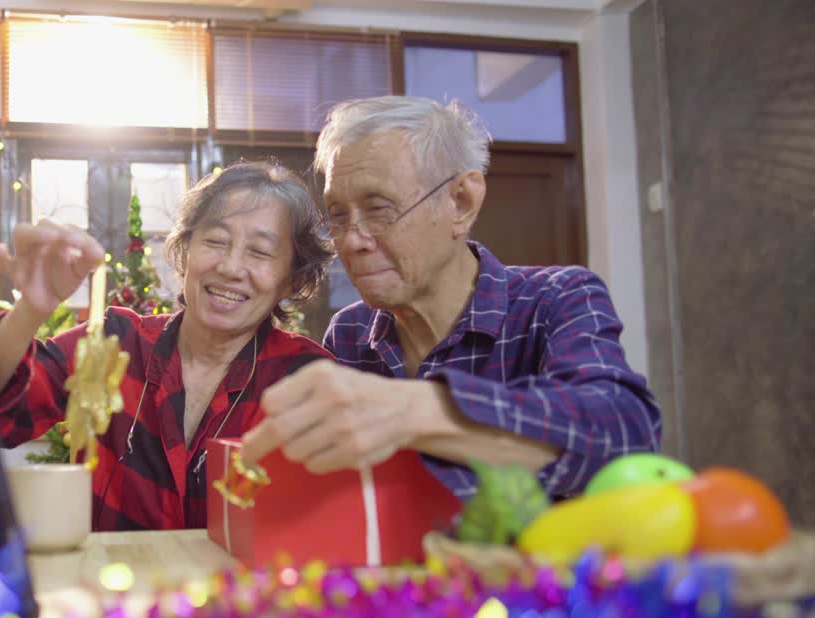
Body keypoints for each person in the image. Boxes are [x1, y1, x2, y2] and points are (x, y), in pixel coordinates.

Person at [241, 96, 661, 499]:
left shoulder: (555, 299)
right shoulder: (351, 331)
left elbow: (624, 432)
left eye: (379, 208)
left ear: (461, 202)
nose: (352, 240)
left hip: (533, 569)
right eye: (337, 215)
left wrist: (413, 410)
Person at [0, 162, 335, 530]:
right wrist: (30, 309)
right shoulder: (114, 342)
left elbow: (326, 523)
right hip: (110, 585)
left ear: (293, 280)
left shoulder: (306, 379)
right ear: (185, 251)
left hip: (241, 587)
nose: (230, 267)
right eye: (215, 241)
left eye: (259, 252)